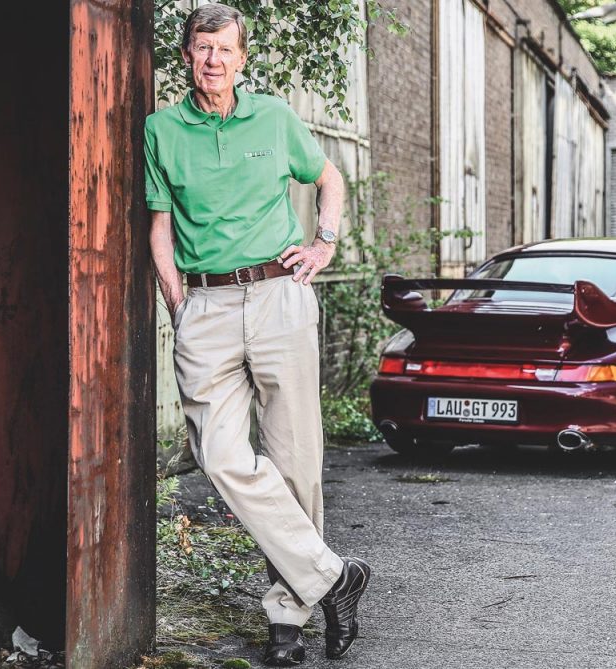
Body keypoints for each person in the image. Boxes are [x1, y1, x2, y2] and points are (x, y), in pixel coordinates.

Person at [144, 4, 370, 665]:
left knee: (295, 458)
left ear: (242, 59)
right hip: (206, 303)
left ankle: (288, 617)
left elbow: (329, 177)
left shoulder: (274, 118)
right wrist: (176, 301)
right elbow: (160, 222)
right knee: (219, 455)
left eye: (224, 49)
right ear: (184, 54)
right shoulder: (163, 129)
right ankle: (333, 574)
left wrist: (324, 243)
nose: (212, 58)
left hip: (279, 294)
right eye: (201, 46)